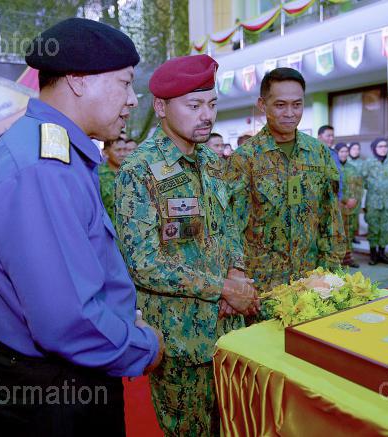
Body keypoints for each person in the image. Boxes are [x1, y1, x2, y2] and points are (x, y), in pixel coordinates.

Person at [0, 18, 163, 437]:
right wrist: (144, 348)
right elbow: (65, 320)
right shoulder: (42, 168)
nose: (133, 100)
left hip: (64, 378)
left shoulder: (53, 152)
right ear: (78, 80)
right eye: (125, 83)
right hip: (57, 391)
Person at [115, 54, 258, 436]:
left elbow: (231, 227)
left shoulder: (212, 162)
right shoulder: (139, 170)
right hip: (182, 340)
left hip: (230, 329)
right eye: (194, 106)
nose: (206, 115)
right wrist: (221, 288)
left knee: (234, 425)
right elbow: (143, 263)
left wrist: (236, 274)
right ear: (161, 107)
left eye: (212, 104)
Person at [226, 67, 344, 297]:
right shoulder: (245, 159)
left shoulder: (318, 153)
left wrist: (332, 272)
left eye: (297, 105)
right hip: (263, 286)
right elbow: (231, 229)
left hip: (312, 281)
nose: (290, 113)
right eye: (280, 105)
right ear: (262, 105)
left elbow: (330, 217)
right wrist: (237, 281)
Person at [363, 137, 388, 265]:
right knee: (373, 228)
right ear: (374, 148)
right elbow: (362, 180)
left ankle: (382, 254)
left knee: (385, 229)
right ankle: (373, 255)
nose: (383, 149)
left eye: (385, 146)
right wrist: (373, 187)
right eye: (380, 146)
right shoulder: (368, 162)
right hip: (373, 202)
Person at [336, 143, 363, 268]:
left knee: (350, 233)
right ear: (337, 153)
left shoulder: (353, 168)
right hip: (338, 207)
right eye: (341, 151)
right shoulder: (333, 167)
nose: (344, 154)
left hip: (351, 207)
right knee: (338, 234)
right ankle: (337, 260)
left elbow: (359, 186)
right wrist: (345, 200)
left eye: (346, 151)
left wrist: (355, 200)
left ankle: (348, 258)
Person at [99, 136, 130, 222]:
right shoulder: (98, 175)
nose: (123, 154)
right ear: (105, 152)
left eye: (125, 149)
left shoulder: (133, 172)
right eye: (118, 150)